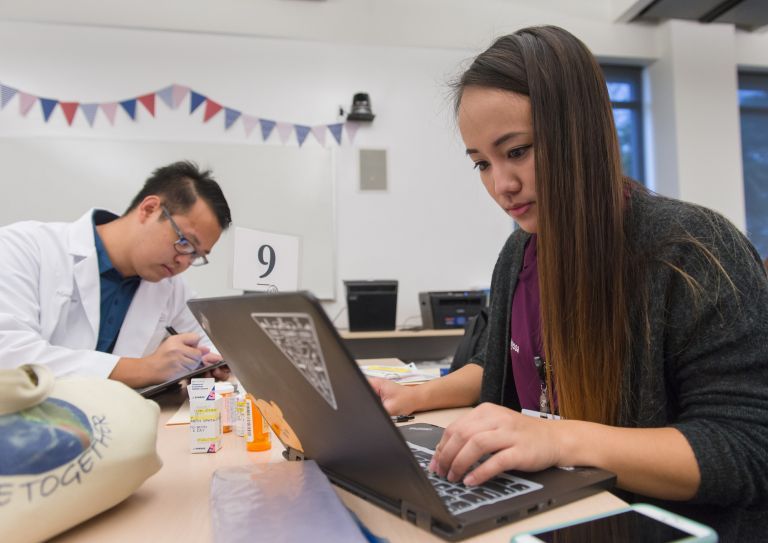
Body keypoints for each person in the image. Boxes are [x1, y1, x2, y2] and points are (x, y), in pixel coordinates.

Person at [370, 26, 768, 541]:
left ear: (579, 132)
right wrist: (416, 397)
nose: (501, 186)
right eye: (482, 164)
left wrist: (559, 440)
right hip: (553, 515)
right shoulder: (520, 254)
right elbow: (507, 362)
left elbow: (747, 448)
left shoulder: (693, 250)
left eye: (516, 152)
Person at [0, 161, 232, 387]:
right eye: (185, 242)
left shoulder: (170, 286)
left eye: (197, 255)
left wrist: (207, 364)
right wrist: (147, 369)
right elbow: (10, 353)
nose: (184, 261)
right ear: (149, 209)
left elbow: (210, 343)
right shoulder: (22, 247)